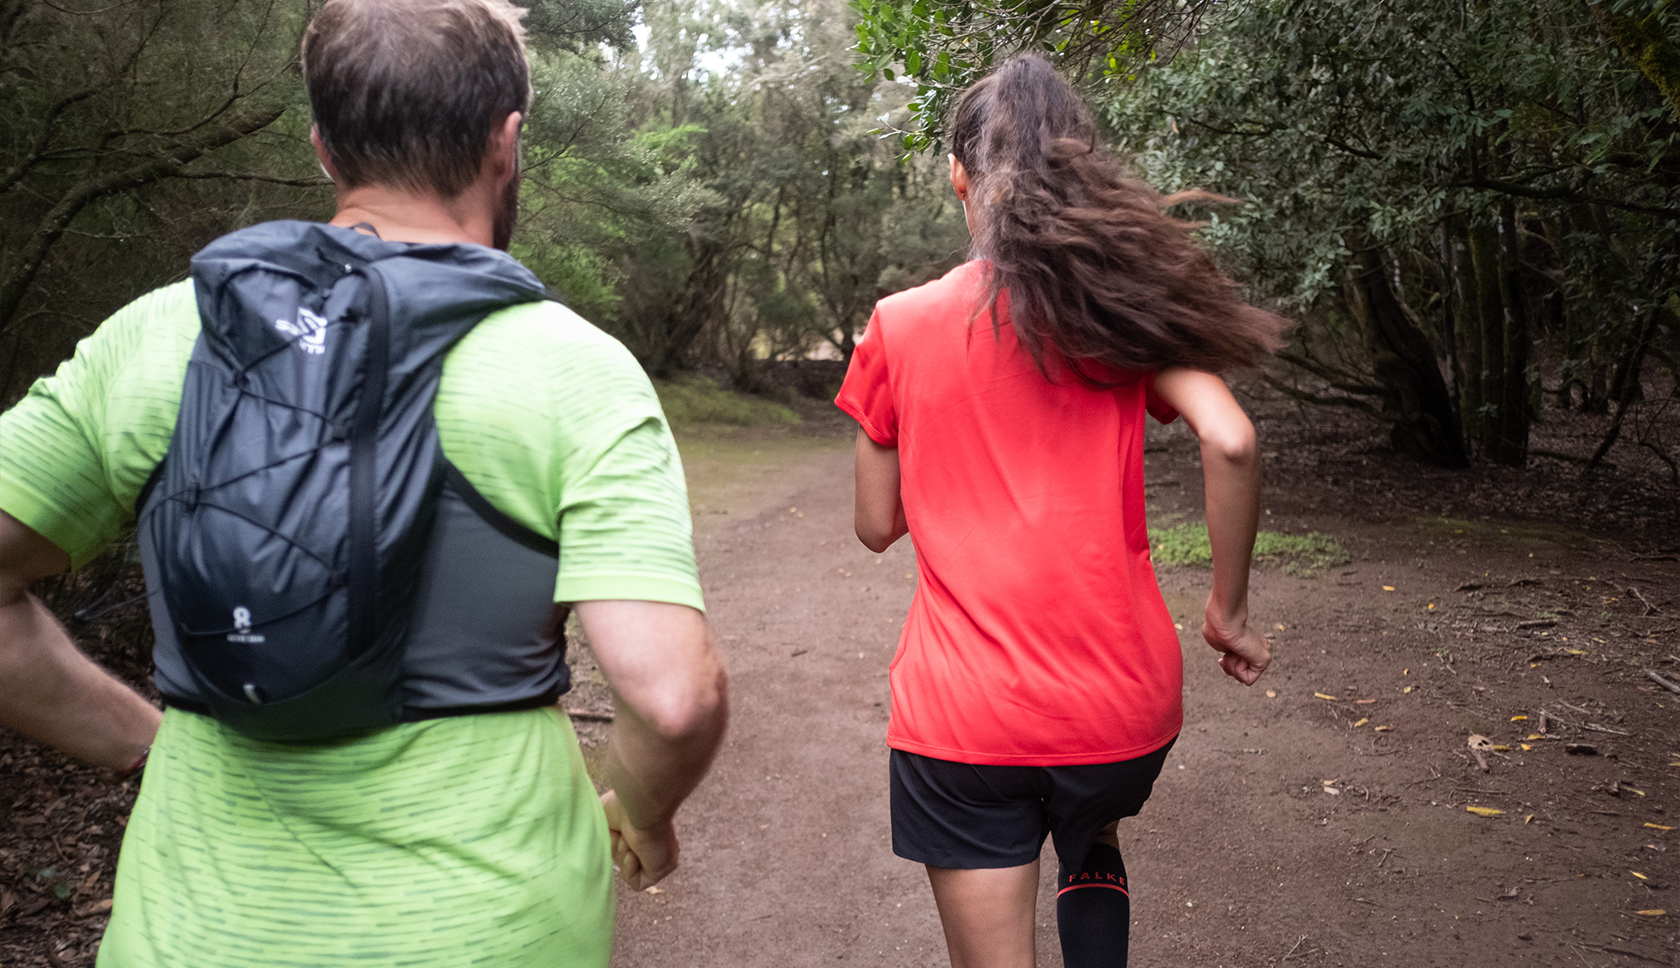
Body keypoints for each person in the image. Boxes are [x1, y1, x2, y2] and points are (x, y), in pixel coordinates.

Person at [0, 0, 726, 964]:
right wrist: (644, 810)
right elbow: (673, 697)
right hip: (489, 928)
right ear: (506, 143)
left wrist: (142, 739)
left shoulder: (167, 333)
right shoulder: (572, 369)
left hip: (192, 932)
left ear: (325, 149)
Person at [835, 55, 1290, 968]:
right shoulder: (1120, 312)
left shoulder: (900, 324)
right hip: (1118, 709)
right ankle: (1090, 849)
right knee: (1090, 812)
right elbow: (1232, 438)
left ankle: (1083, 841)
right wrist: (1227, 613)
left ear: (960, 177)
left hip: (963, 723)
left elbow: (877, 524)